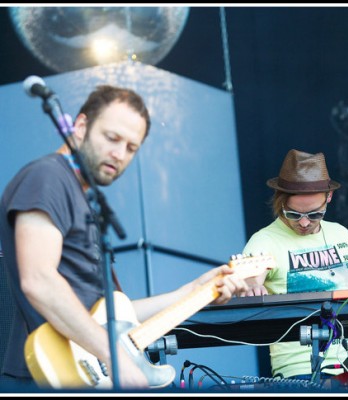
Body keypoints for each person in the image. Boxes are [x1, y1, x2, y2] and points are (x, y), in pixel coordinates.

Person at [0, 84, 248, 390]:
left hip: (83, 374)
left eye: (131, 147)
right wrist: (114, 356)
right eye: (112, 138)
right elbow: (39, 280)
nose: (119, 154)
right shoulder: (48, 177)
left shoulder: (85, 199)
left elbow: (116, 317)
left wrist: (194, 290)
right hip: (45, 377)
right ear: (80, 126)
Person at [242, 149, 348, 382]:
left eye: (314, 214)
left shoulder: (342, 235)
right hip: (298, 371)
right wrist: (251, 289)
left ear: (329, 197)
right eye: (293, 213)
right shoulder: (264, 241)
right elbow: (251, 283)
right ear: (280, 199)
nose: (303, 223)